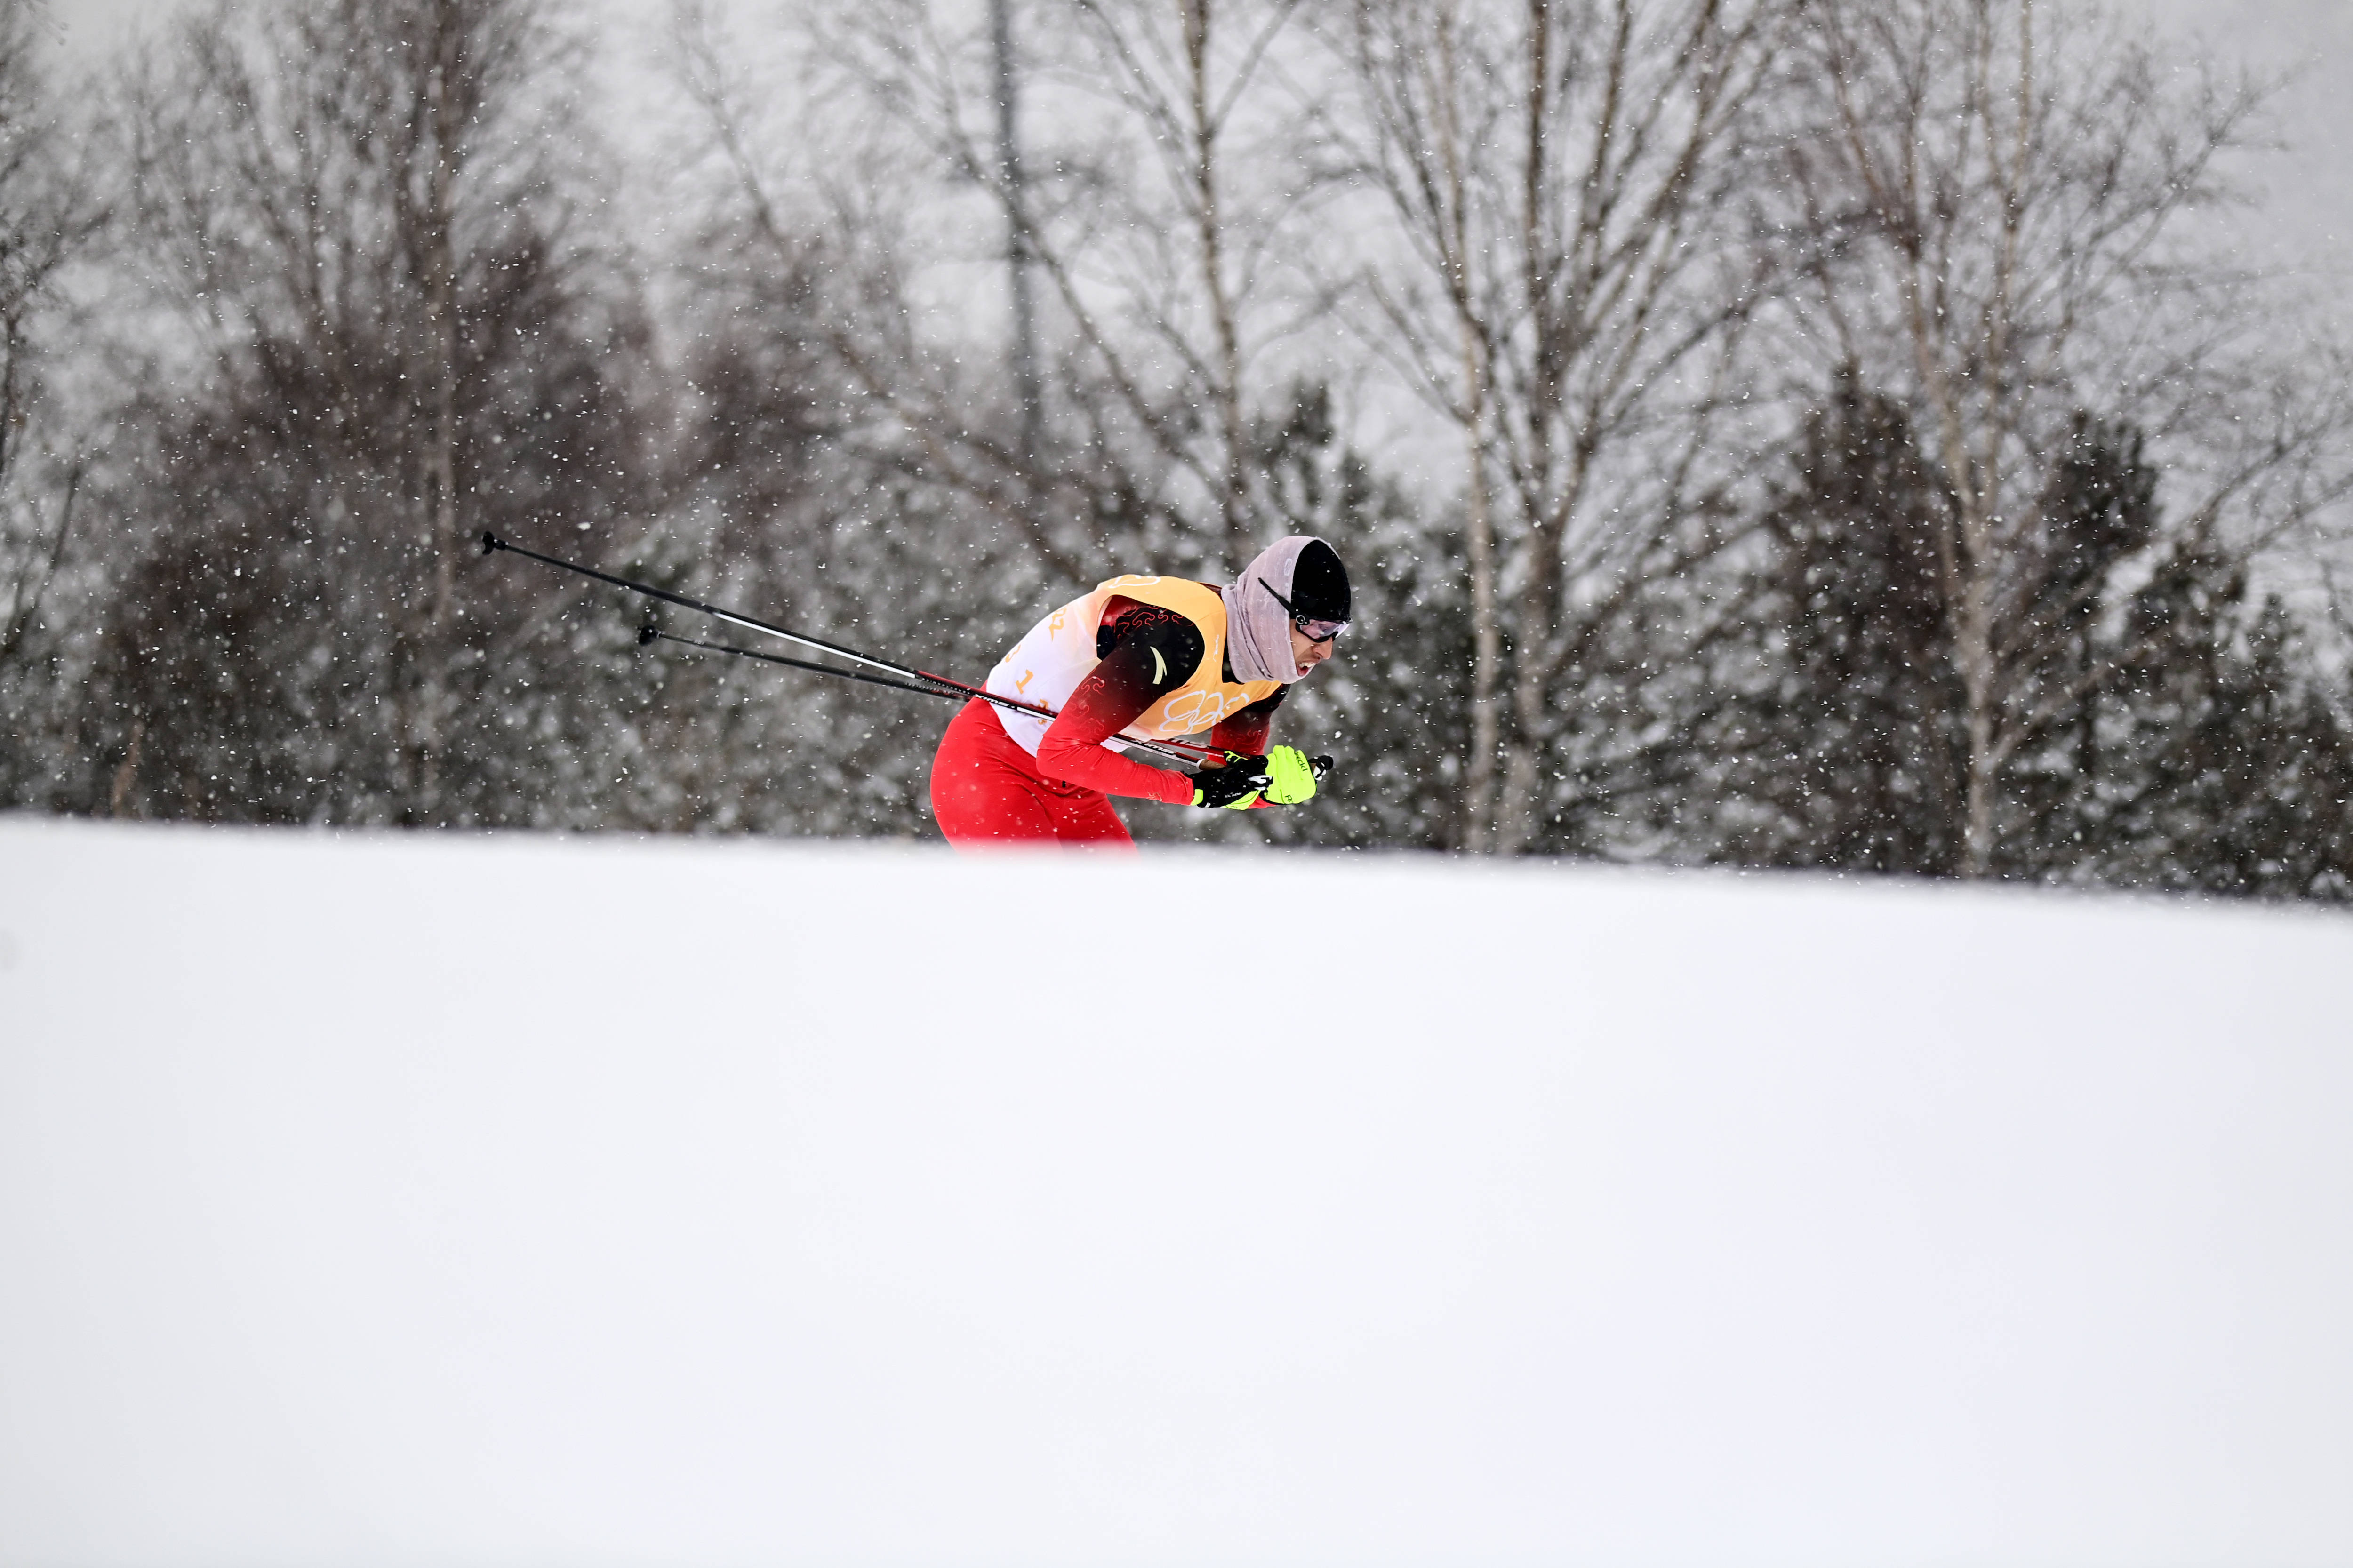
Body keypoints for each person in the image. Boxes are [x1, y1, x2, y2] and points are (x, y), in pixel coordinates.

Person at [928, 536, 1350, 849]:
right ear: (1269, 609)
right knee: (1042, 929)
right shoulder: (1177, 637)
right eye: (1316, 627)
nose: (1326, 650)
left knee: (1123, 928)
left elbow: (1225, 778)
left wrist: (1269, 792)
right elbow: (1062, 751)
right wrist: (1193, 790)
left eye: (1337, 633)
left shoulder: (1269, 673)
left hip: (1075, 785)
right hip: (992, 763)